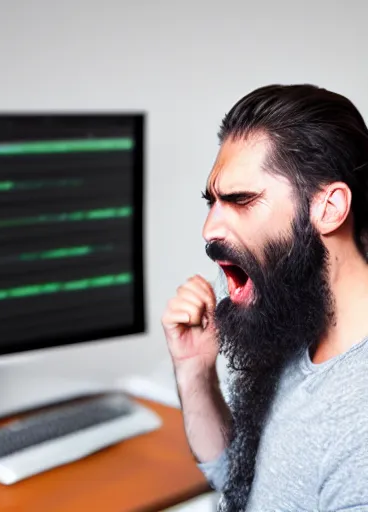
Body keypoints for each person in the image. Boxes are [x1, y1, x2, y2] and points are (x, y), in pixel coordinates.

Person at [162, 84, 368, 512]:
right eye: (212, 202)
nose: (209, 230)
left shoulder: (359, 428)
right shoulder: (297, 319)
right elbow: (240, 484)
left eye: (240, 200)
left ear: (329, 207)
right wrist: (194, 373)